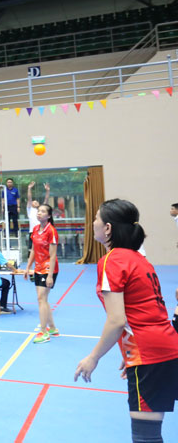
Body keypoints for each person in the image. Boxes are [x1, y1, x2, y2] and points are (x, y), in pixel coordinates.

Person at [74, 199, 178, 443]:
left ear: (108, 228)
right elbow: (146, 311)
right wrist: (128, 352)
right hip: (168, 347)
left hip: (149, 355)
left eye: (96, 219)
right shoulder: (139, 258)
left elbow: (117, 320)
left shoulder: (112, 261)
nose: (93, 223)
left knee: (146, 437)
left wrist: (93, 357)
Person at [22, 202, 59, 343]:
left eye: (43, 211)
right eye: (38, 211)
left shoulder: (51, 231)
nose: (39, 213)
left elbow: (53, 255)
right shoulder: (36, 229)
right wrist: (27, 268)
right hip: (38, 268)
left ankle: (44, 332)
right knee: (42, 299)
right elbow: (33, 251)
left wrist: (50, 275)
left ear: (49, 216)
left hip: (49, 269)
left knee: (41, 299)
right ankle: (53, 328)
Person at [26, 181, 50, 249]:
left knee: (43, 248)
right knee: (31, 250)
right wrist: (29, 188)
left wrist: (47, 191)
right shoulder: (30, 209)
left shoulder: (42, 209)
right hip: (32, 232)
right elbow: (29, 198)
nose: (35, 202)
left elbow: (46, 199)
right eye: (34, 202)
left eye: (37, 201)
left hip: (42, 231)